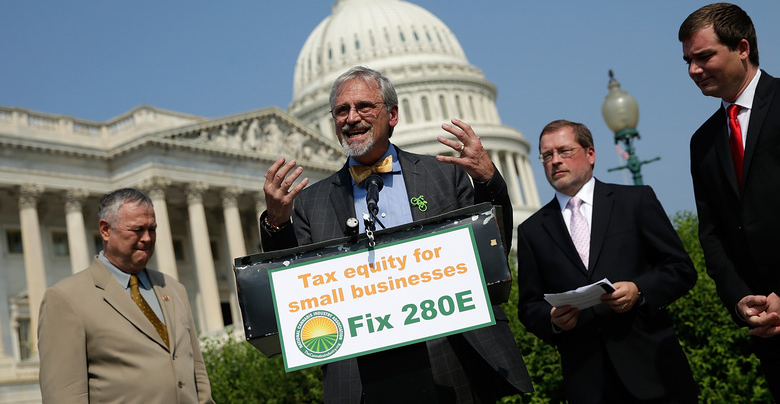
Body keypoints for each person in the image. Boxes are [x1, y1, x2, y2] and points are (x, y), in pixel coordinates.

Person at [260, 66, 532, 403]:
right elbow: (289, 286)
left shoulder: (442, 175)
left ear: (392, 114)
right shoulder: (312, 202)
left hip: (450, 353)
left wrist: (489, 180)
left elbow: (495, 249)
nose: (351, 118)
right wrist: (276, 223)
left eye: (364, 107)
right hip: (362, 371)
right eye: (342, 110)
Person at [515, 120, 698, 403]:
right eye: (546, 155)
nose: (555, 161)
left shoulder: (635, 200)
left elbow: (680, 269)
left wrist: (639, 291)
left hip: (655, 371)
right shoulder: (531, 230)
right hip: (588, 383)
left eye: (564, 151)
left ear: (591, 154)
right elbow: (528, 305)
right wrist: (551, 320)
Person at [680, 2, 780, 398]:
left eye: (703, 56)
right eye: (687, 60)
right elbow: (713, 235)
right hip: (766, 328)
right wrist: (741, 299)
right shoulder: (702, 142)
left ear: (742, 47)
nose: (692, 70)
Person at [38, 188, 214, 404]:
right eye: (137, 229)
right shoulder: (66, 298)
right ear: (105, 230)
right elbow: (64, 397)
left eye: (152, 229)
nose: (147, 238)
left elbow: (197, 374)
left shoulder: (173, 289)